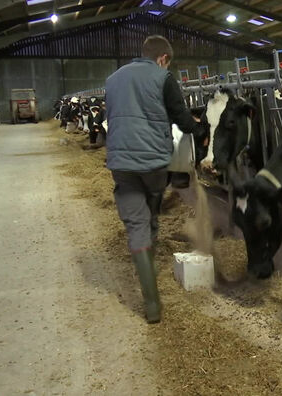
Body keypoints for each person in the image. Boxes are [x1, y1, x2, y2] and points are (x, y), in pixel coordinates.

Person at [105, 35, 205, 323]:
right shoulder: (164, 78)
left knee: (136, 225)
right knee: (150, 213)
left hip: (120, 163)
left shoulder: (112, 80)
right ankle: (150, 239)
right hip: (153, 164)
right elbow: (181, 119)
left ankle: (152, 304)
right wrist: (200, 130)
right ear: (163, 58)